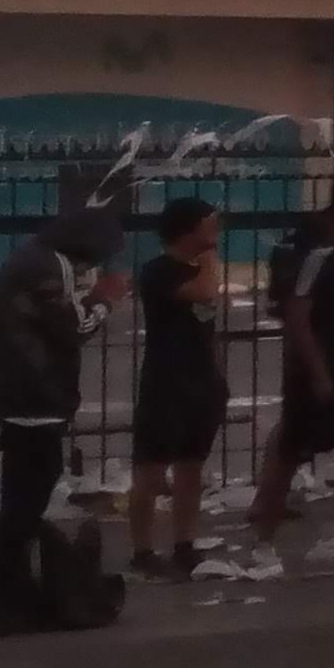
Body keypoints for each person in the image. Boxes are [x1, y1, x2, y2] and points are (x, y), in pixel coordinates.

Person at [0, 207, 125, 635]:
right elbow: (71, 328)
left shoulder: (34, 258)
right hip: (33, 397)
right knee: (24, 505)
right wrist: (104, 299)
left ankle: (13, 595)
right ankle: (7, 603)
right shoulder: (49, 266)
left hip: (22, 394)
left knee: (21, 503)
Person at [253, 183, 334, 552]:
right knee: (291, 451)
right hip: (318, 372)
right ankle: (264, 534)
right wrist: (318, 372)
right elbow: (298, 317)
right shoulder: (319, 260)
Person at [125, 196, 230, 580]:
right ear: (187, 229)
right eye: (209, 223)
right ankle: (142, 549)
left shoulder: (201, 268)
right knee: (151, 471)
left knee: (191, 468)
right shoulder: (159, 272)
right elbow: (202, 292)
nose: (216, 228)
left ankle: (184, 543)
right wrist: (210, 257)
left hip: (202, 382)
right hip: (166, 382)